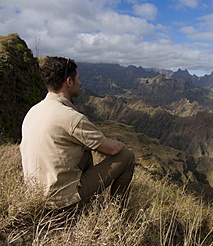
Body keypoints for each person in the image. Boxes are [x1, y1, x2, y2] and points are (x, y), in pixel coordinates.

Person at [20, 57, 135, 209]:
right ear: (69, 81)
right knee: (126, 156)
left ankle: (91, 201)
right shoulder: (71, 117)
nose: (80, 83)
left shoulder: (33, 111)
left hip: (36, 196)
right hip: (61, 201)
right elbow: (112, 149)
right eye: (78, 79)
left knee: (85, 151)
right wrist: (120, 144)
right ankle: (117, 211)